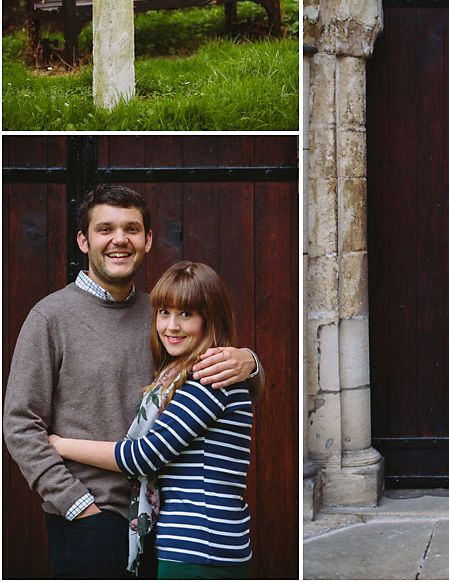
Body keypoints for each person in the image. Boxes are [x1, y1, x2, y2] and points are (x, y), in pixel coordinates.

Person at [3, 184, 262, 579]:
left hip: (163, 519)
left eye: (131, 229)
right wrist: (76, 503)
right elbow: (20, 424)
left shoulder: (161, 315)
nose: (119, 240)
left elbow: (218, 387)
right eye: (105, 229)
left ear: (148, 240)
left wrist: (250, 362)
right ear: (83, 241)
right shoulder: (50, 317)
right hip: (92, 517)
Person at [48, 261, 255, 579]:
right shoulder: (182, 375)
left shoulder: (208, 378)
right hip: (200, 543)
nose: (171, 326)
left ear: (209, 319)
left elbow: (143, 456)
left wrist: (60, 444)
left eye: (186, 314)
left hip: (202, 545)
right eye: (164, 313)